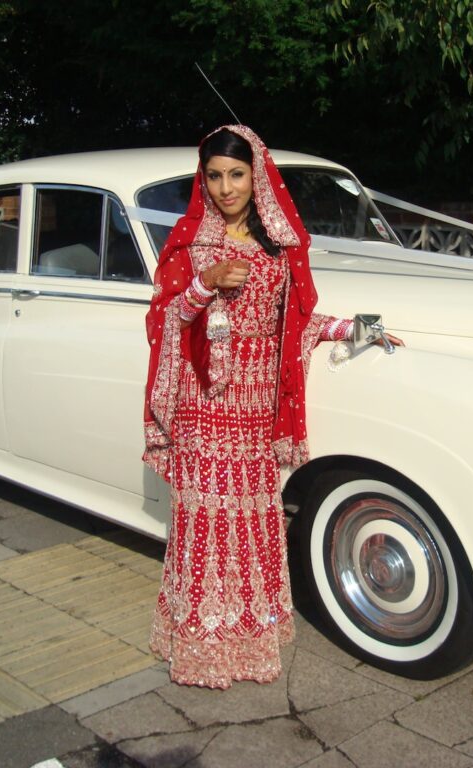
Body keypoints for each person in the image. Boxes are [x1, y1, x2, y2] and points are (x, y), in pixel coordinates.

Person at [143, 124, 401, 688]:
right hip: (205, 402)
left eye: (236, 174)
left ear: (255, 175)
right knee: (207, 520)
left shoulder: (280, 245)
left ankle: (250, 639)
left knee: (253, 518)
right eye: (214, 176)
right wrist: (204, 284)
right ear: (203, 179)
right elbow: (165, 319)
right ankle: (201, 644)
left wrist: (355, 328)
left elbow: (296, 325)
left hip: (258, 405)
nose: (225, 187)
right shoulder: (193, 242)